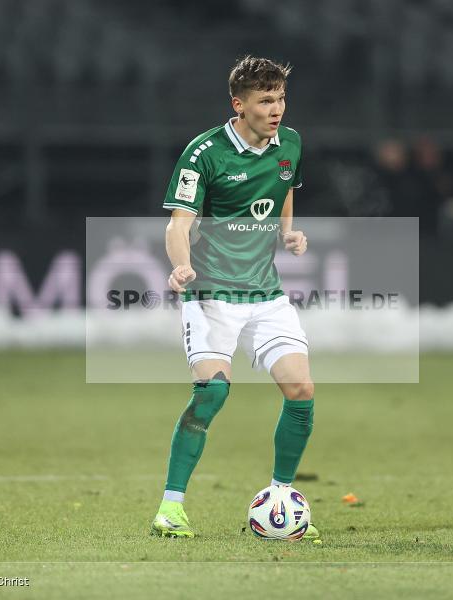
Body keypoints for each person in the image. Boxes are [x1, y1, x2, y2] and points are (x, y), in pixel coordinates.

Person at [151, 56, 318, 541]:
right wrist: (180, 263)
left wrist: (287, 232)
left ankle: (283, 497)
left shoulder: (290, 143)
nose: (277, 109)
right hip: (210, 294)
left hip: (265, 293)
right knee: (214, 392)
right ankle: (171, 506)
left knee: (301, 390)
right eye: (266, 100)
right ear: (238, 105)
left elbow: (284, 186)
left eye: (281, 98)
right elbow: (177, 224)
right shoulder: (204, 153)